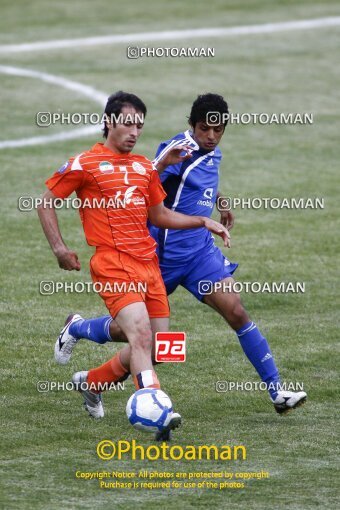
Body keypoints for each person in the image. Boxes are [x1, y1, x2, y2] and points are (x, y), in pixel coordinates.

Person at [55, 93, 307, 415]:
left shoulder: (212, 152)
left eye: (219, 131)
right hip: (160, 258)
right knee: (147, 341)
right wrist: (162, 166)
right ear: (192, 125)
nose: (212, 137)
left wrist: (220, 201)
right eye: (205, 129)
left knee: (237, 312)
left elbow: (200, 182)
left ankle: (276, 391)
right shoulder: (176, 150)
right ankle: (79, 333)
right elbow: (141, 184)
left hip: (200, 254)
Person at [38, 91, 230, 440]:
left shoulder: (143, 166)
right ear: (109, 121)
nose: (134, 131)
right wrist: (59, 248)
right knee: (140, 333)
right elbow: (46, 201)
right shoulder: (85, 164)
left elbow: (159, 215)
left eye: (140, 125)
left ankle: (92, 379)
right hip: (112, 264)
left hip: (149, 265)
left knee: (159, 346)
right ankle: (157, 410)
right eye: (128, 123)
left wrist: (203, 221)